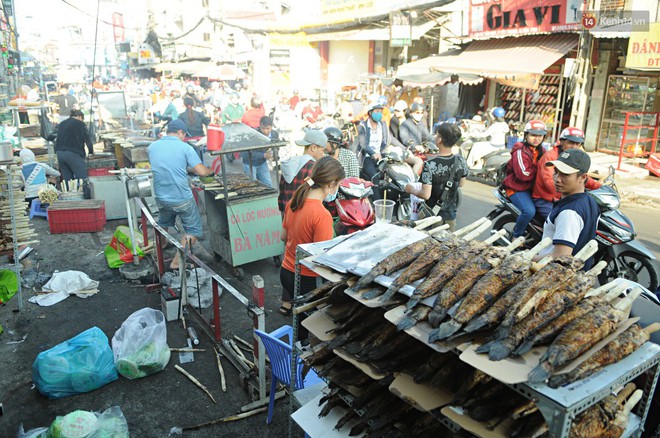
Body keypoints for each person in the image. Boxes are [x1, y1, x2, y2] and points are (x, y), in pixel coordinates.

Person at [279, 156, 345, 315]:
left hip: (286, 273)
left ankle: (299, 340)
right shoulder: (322, 215)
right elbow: (321, 258)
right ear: (330, 184)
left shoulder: (295, 201)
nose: (337, 190)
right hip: (307, 280)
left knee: (300, 317)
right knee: (310, 322)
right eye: (338, 185)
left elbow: (283, 237)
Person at [148, 119, 213, 270]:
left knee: (164, 223)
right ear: (180, 132)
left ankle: (161, 245)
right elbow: (202, 172)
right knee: (193, 231)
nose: (184, 138)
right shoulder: (185, 147)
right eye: (184, 135)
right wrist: (209, 170)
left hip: (161, 197)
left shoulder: (152, 147)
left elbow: (168, 166)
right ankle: (177, 261)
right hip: (181, 198)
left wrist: (188, 170)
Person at [535, 149, 600, 269]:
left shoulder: (569, 212)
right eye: (556, 172)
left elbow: (561, 256)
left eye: (565, 174)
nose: (557, 179)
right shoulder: (590, 201)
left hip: (556, 278)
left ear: (582, 177)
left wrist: (527, 258)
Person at [405, 122, 467, 231]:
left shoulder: (430, 164)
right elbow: (461, 184)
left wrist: (412, 190)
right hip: (451, 217)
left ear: (439, 140)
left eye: (437, 135)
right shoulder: (460, 160)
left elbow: (425, 195)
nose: (435, 137)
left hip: (432, 218)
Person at [533, 127, 601, 219]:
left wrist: (598, 186)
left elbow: (581, 176)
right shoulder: (550, 157)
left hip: (564, 197)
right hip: (545, 198)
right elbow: (550, 182)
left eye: (577, 143)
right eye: (570, 143)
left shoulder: (575, 157)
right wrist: (572, 191)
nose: (574, 147)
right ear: (562, 142)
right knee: (558, 220)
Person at [501, 119, 547, 238]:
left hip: (532, 189)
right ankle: (516, 236)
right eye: (533, 135)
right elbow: (523, 174)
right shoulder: (520, 151)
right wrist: (541, 173)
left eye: (540, 136)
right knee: (529, 211)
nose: (536, 139)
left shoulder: (542, 151)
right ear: (526, 135)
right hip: (517, 189)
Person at [278, 130, 327, 212]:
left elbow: (282, 190)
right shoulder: (314, 167)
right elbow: (320, 192)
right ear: (313, 148)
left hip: (287, 211)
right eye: (323, 150)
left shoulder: (290, 163)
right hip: (303, 212)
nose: (323, 154)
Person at [54, 109, 94, 183]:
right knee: (82, 179)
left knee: (68, 181)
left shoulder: (62, 123)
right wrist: (91, 152)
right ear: (79, 117)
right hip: (73, 153)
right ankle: (85, 194)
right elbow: (87, 139)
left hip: (60, 153)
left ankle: (70, 194)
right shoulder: (80, 124)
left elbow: (53, 136)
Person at [357, 104, 389, 188]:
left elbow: (388, 140)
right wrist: (373, 153)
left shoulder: (383, 125)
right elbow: (363, 144)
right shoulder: (362, 126)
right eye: (377, 112)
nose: (379, 114)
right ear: (370, 113)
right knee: (374, 177)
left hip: (381, 156)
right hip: (367, 157)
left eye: (381, 112)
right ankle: (376, 200)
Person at [241, 116, 277, 188]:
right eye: (263, 128)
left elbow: (276, 147)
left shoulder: (275, 134)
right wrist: (264, 155)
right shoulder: (253, 135)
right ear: (259, 126)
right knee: (252, 186)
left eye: (268, 128)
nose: (265, 131)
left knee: (268, 184)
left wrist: (274, 153)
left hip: (262, 162)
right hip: (249, 163)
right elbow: (247, 153)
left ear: (272, 127)